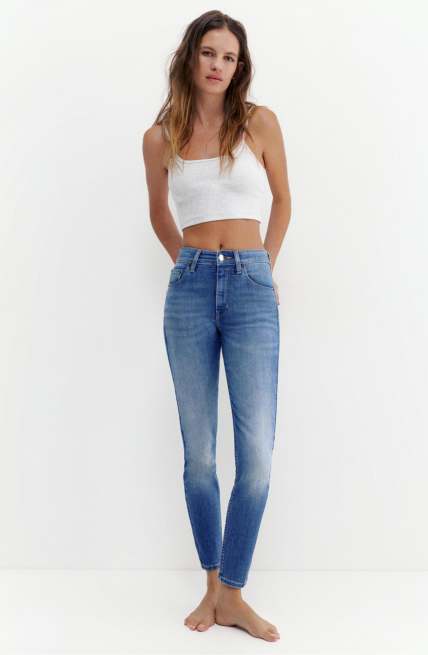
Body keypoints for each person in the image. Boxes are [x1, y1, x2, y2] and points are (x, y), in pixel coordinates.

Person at [142, 10, 290, 643]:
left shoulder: (259, 123)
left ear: (239, 66)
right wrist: (189, 267)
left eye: (229, 57)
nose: (218, 65)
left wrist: (264, 266)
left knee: (255, 459)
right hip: (191, 288)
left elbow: (283, 200)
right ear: (191, 57)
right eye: (209, 53)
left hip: (252, 285)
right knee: (199, 455)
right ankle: (213, 587)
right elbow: (159, 214)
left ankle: (233, 592)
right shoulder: (160, 137)